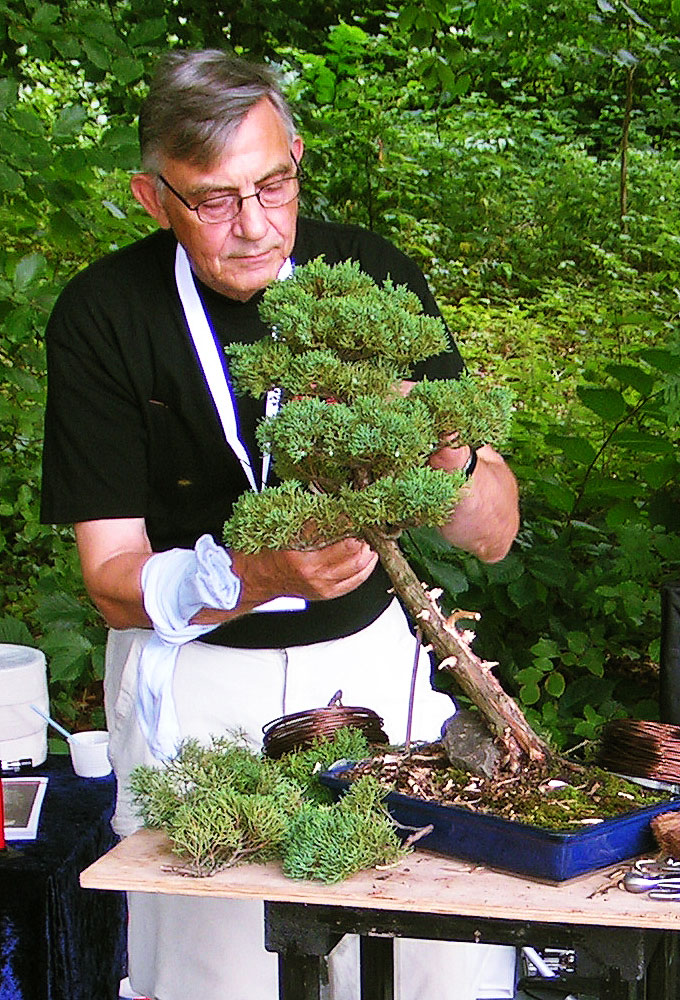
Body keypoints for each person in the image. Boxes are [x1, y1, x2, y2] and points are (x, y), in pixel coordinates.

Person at [41, 48, 520, 1000]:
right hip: (200, 682)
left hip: (374, 667)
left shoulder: (368, 277)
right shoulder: (107, 314)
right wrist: (253, 574)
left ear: (297, 157)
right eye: (214, 200)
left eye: (273, 184)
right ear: (153, 198)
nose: (255, 224)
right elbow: (110, 579)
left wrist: (437, 440)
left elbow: (493, 534)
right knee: (219, 968)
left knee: (431, 957)